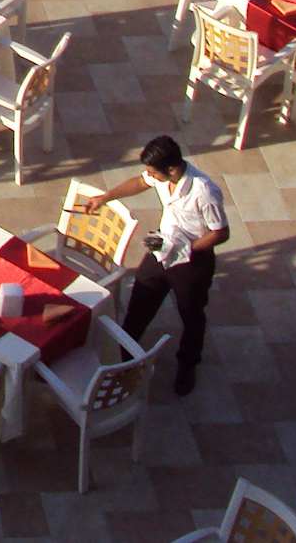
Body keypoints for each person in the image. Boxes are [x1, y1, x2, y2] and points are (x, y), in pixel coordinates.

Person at [72, 134, 229, 396]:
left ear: (172, 169)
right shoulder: (161, 176)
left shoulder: (204, 192)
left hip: (192, 260)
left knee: (191, 315)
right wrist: (105, 197)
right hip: (162, 248)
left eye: (153, 172)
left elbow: (220, 233)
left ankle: (188, 364)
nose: (150, 176)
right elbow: (139, 182)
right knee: (140, 301)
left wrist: (186, 248)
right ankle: (124, 355)